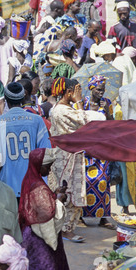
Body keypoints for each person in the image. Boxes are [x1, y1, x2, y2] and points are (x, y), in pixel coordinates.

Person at [48, 77, 106, 243]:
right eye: (77, 91)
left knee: (74, 191)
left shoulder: (65, 108)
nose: (80, 94)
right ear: (69, 92)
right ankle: (65, 230)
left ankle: (68, 227)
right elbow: (84, 122)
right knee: (67, 193)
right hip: (66, 157)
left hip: (72, 155)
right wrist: (80, 101)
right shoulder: (61, 110)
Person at [18, 148, 77, 270]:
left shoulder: (31, 180)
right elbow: (45, 214)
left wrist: (54, 195)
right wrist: (59, 201)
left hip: (30, 233)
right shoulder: (38, 187)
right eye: (48, 167)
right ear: (39, 165)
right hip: (39, 238)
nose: (49, 171)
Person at [0, 82, 51, 200]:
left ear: (5, 99)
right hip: (32, 185)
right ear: (23, 98)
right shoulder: (36, 120)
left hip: (5, 186)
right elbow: (46, 153)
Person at [75, 75, 115, 230]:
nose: (101, 93)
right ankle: (81, 216)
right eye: (99, 89)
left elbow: (112, 125)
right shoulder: (82, 103)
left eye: (103, 90)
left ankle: (103, 217)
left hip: (102, 148)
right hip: (85, 149)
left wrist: (107, 112)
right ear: (91, 88)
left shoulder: (108, 103)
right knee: (84, 183)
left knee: (103, 181)